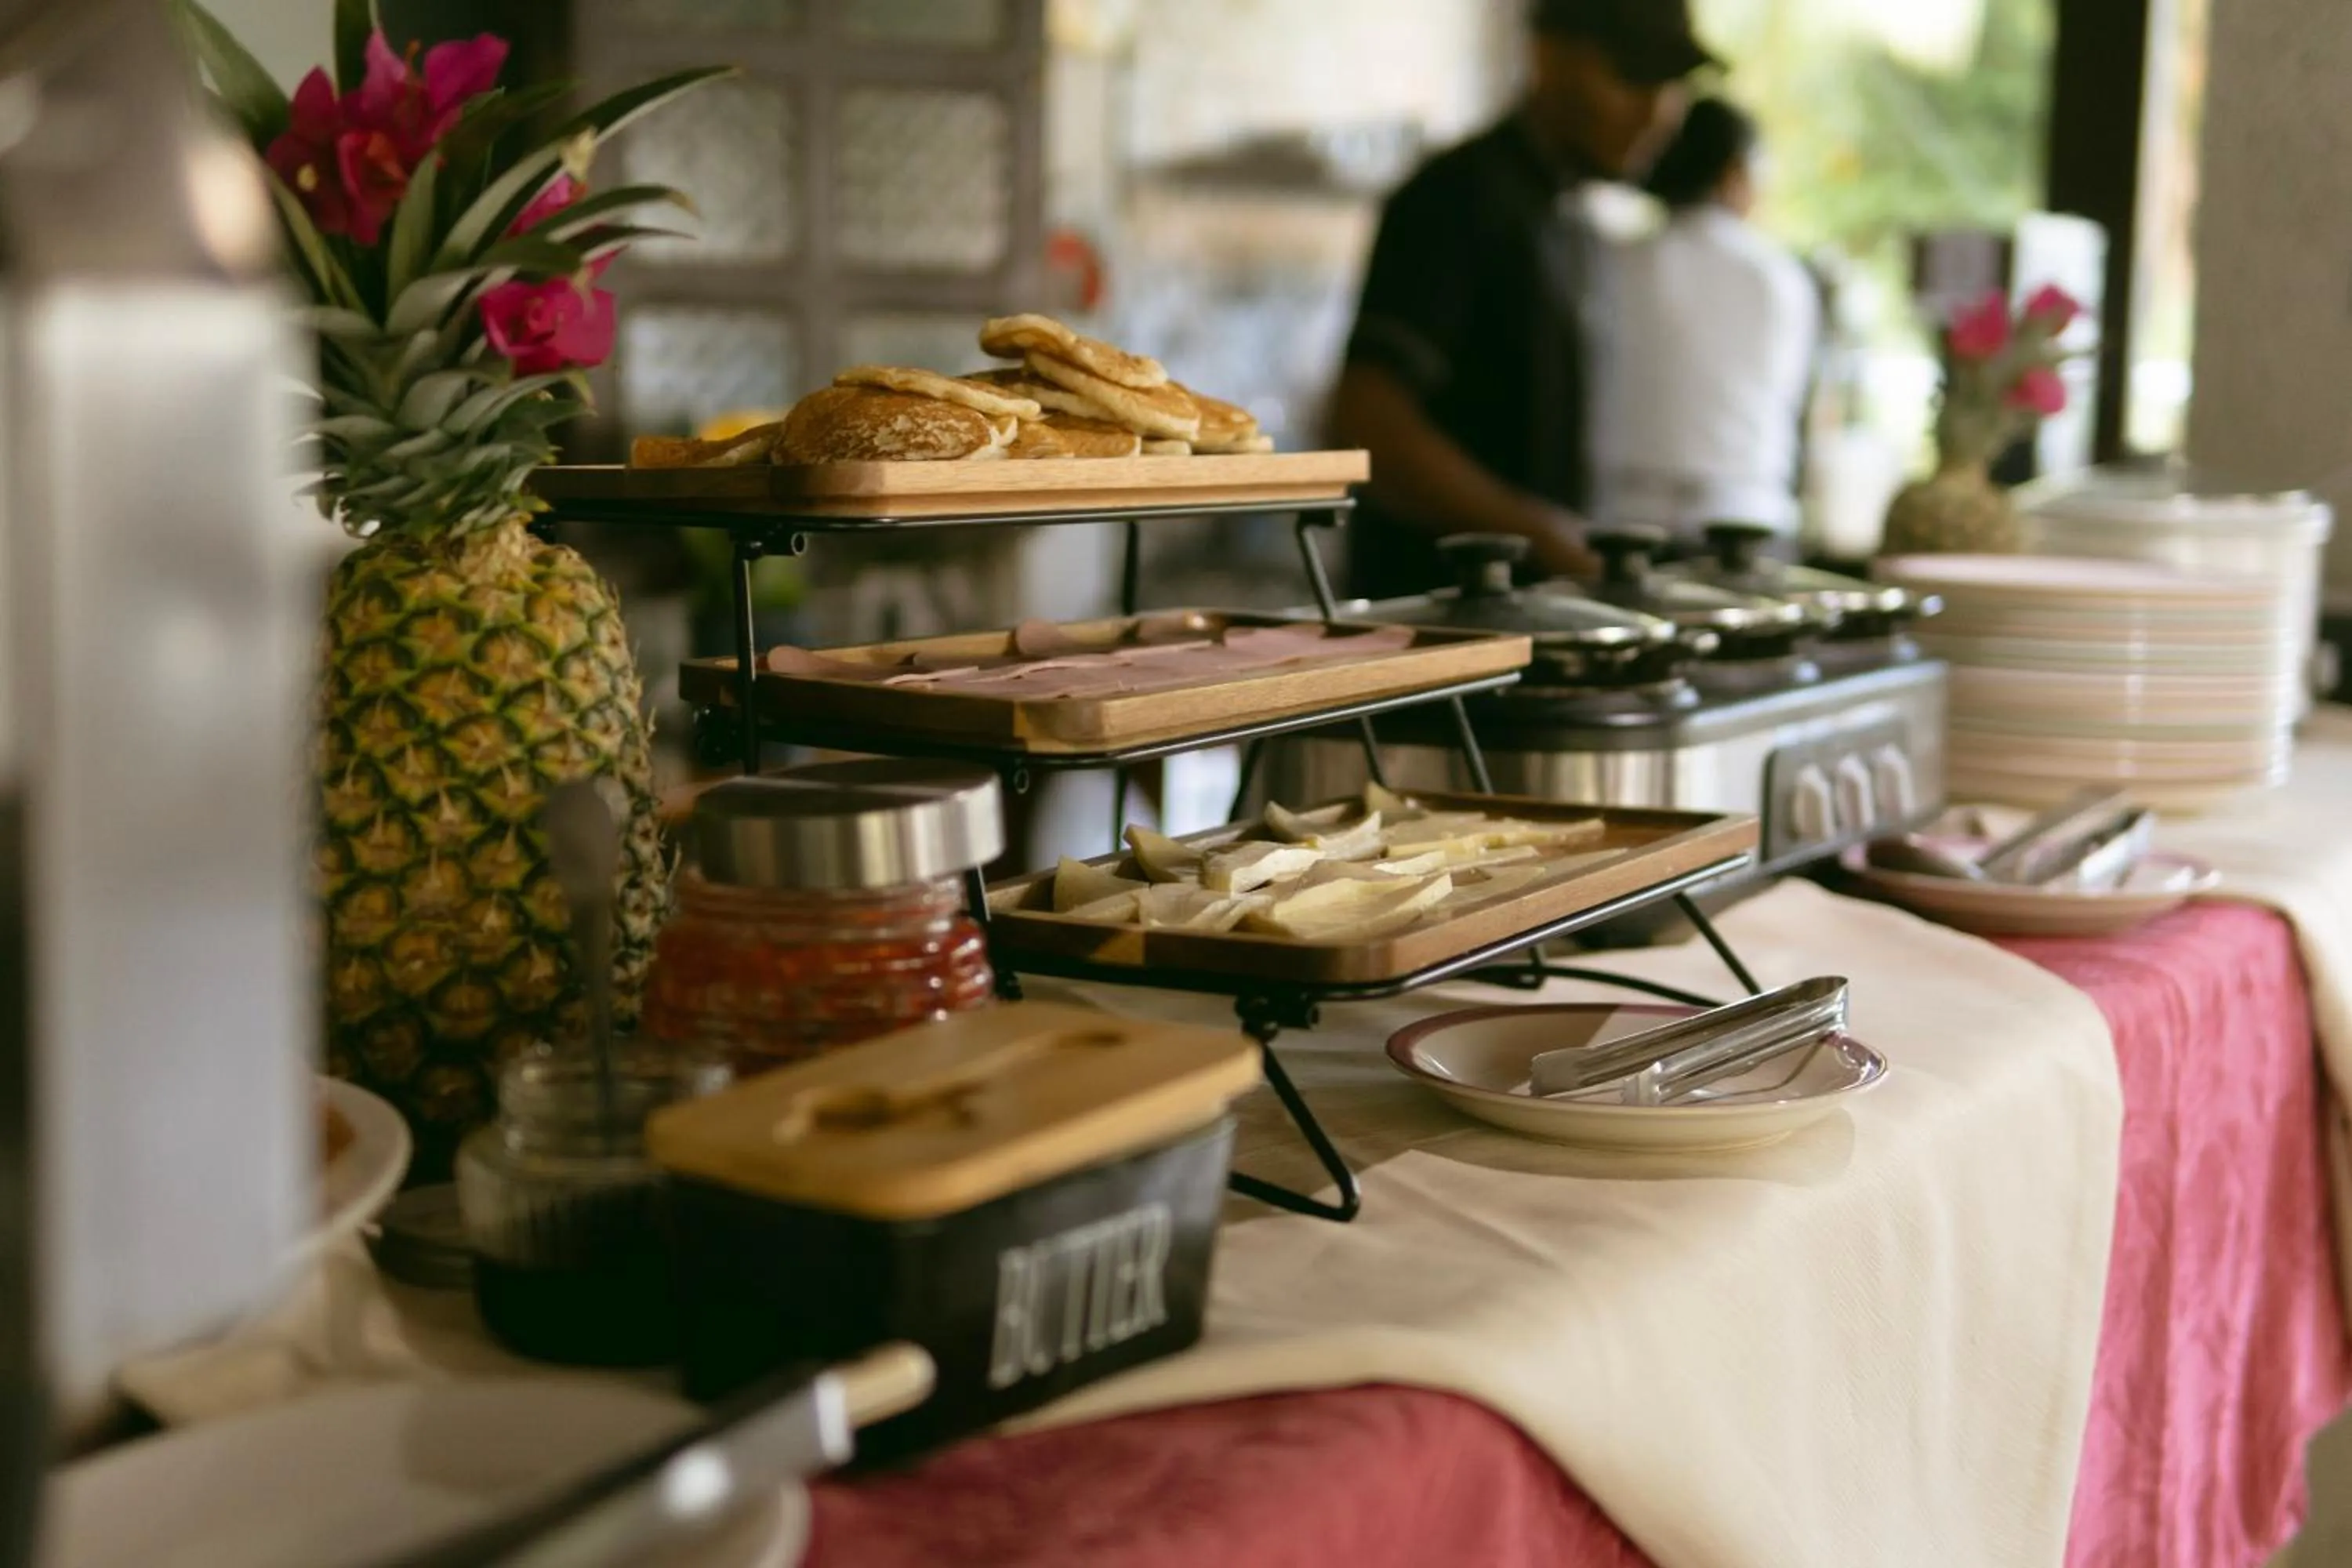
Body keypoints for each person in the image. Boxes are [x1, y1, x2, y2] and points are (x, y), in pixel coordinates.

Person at [1328, 0, 1718, 601]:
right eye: (1632, 77)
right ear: (1547, 57)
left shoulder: (1571, 215)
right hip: (1437, 636)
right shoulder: (1454, 199)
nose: (1658, 111)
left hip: (1529, 624)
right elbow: (1369, 423)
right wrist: (1543, 535)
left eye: (1673, 85)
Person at [1588, 98, 1820, 550]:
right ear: (1735, 173)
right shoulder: (1776, 274)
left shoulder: (1610, 262)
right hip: (1746, 522)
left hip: (1623, 526)